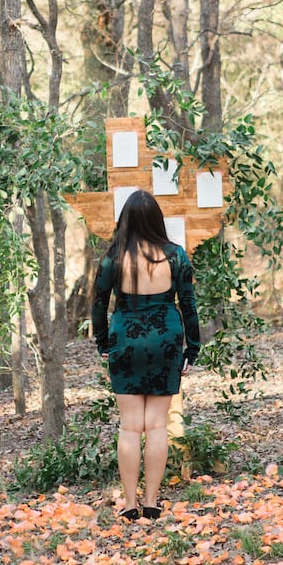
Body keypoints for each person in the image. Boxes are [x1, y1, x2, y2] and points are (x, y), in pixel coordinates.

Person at [91, 189, 200, 521]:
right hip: (166, 339)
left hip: (126, 339)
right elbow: (189, 305)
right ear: (156, 220)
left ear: (126, 220)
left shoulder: (114, 256)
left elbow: (98, 304)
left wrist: (103, 343)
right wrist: (191, 349)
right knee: (156, 427)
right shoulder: (176, 256)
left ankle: (128, 504)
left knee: (129, 427)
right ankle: (151, 502)